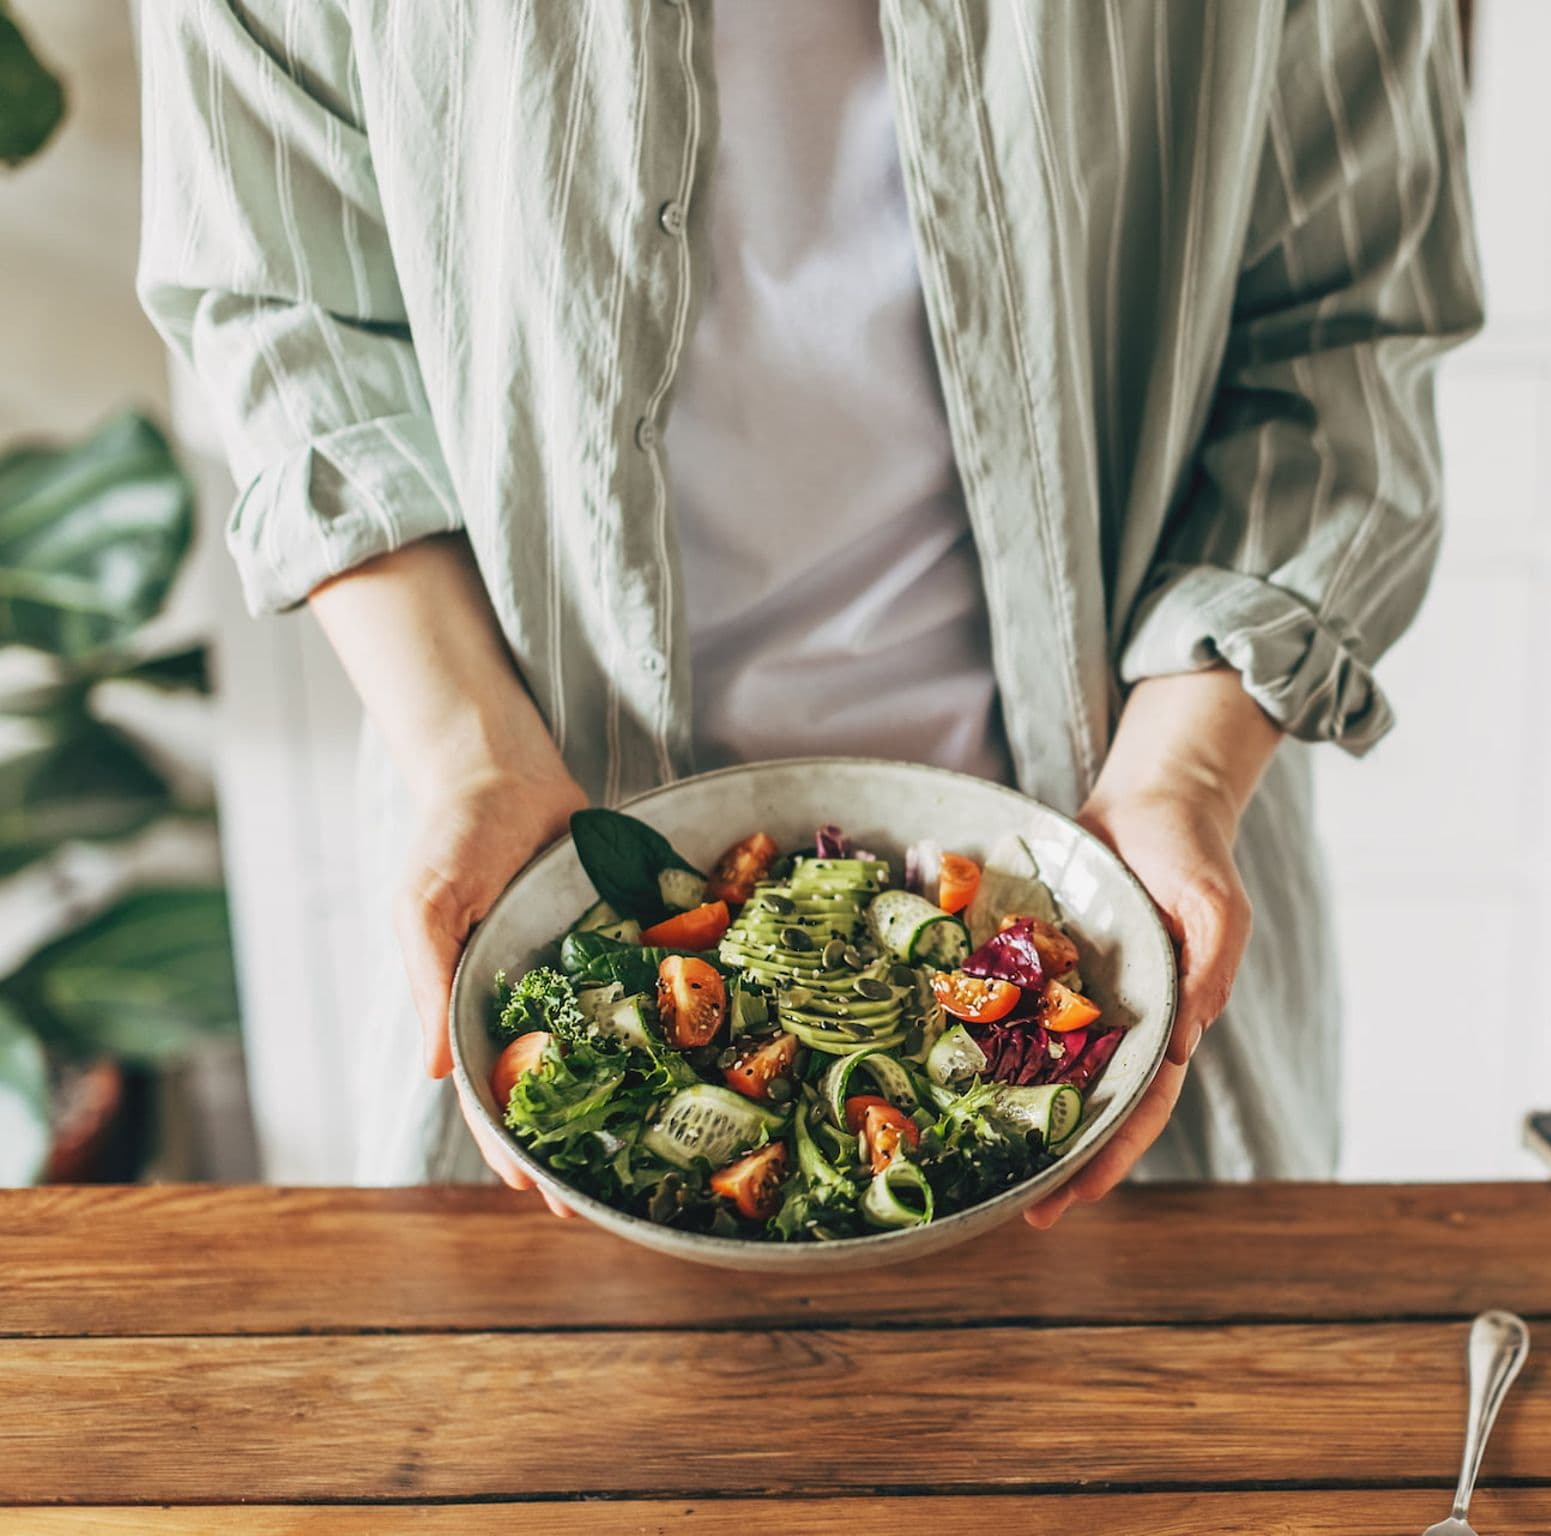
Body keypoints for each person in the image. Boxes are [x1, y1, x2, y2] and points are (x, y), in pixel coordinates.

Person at [137, 0, 1482, 1221]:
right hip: (534, 880)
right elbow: (283, 310)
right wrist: (470, 755)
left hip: (1121, 893)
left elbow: (1346, 332)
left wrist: (1183, 772)